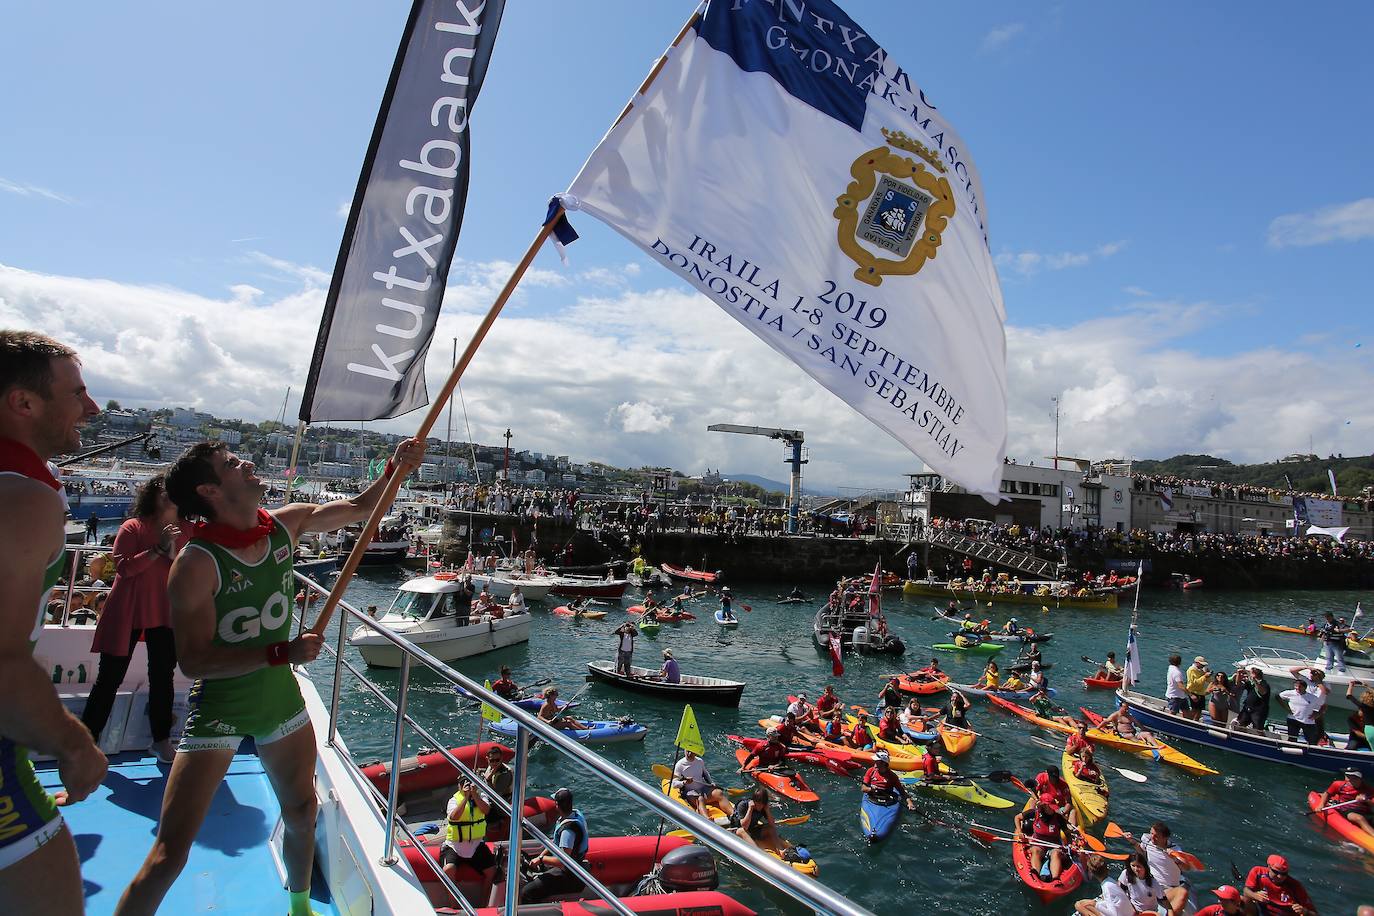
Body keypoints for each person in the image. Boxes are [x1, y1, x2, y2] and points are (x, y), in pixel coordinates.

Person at [115, 435, 426, 916]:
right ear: (210, 492)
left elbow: (362, 508)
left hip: (280, 703)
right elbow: (194, 661)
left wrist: (395, 469)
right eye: (232, 464)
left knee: (302, 813)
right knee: (169, 853)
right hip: (220, 710)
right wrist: (281, 651)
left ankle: (298, 908)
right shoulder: (196, 563)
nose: (248, 465)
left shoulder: (287, 524)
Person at [0, 330, 106, 913]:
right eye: (77, 393)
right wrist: (73, 741)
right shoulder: (21, 495)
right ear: (23, 403)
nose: (91, 409)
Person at [80, 474, 187, 764]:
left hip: (165, 611)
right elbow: (124, 569)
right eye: (164, 491)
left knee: (162, 678)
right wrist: (156, 548)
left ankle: (161, 741)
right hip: (127, 609)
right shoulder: (133, 527)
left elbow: (186, 569)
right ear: (152, 495)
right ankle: (86, 745)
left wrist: (171, 548)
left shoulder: (188, 530)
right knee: (108, 679)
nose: (169, 495)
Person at [520, 788, 587, 903]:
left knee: (527, 892)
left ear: (557, 805)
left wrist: (541, 859)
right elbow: (556, 843)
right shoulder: (575, 815)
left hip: (569, 875)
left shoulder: (568, 832)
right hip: (570, 867)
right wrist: (541, 855)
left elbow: (563, 861)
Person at [441, 776, 495, 905]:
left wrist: (474, 795)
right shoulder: (453, 800)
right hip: (454, 845)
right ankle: (453, 905)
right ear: (459, 787)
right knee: (448, 869)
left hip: (476, 845)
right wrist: (465, 798)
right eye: (462, 784)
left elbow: (486, 810)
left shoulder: (481, 797)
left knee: (492, 871)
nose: (466, 787)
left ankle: (484, 904)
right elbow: (454, 817)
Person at [1122, 822, 1190, 916]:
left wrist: (1174, 858)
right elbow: (1141, 851)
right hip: (1150, 884)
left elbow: (1186, 868)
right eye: (1151, 834)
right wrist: (1131, 841)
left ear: (1165, 838)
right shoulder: (1148, 842)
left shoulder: (1176, 850)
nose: (1152, 837)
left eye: (1156, 836)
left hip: (1167, 889)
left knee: (1183, 892)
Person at [1013, 800, 1073, 881]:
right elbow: (1017, 817)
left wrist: (1069, 845)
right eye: (1051, 807)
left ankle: (1056, 878)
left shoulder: (1058, 817)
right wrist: (1020, 832)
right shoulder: (1034, 813)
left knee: (1056, 853)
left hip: (1053, 844)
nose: (1053, 809)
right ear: (1045, 807)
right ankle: (1035, 873)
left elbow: (1067, 833)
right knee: (1035, 851)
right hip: (1038, 843)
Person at [1242, 854, 1317, 915]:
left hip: (1284, 913)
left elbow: (1314, 914)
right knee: (1243, 898)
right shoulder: (1258, 872)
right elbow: (1246, 891)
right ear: (1268, 867)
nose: (1280, 877)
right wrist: (1255, 895)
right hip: (1263, 909)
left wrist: (1304, 911)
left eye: (1284, 874)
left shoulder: (1295, 886)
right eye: (1276, 872)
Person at [672, 748, 733, 818]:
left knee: (719, 793)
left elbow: (706, 774)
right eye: (687, 751)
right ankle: (707, 819)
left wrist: (711, 782)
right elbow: (674, 784)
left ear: (696, 752)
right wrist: (684, 782)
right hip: (690, 792)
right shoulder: (679, 765)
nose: (689, 754)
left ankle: (733, 814)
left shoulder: (699, 761)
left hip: (703, 789)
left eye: (691, 752)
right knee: (700, 799)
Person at [1315, 768, 1373, 837]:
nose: (1348, 779)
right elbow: (1327, 794)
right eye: (1347, 776)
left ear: (1359, 778)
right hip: (1346, 809)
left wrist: (1366, 800)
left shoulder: (1368, 789)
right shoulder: (1338, 784)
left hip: (1364, 810)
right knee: (1359, 818)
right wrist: (1321, 805)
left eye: (1351, 777)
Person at [1278, 678, 1323, 745]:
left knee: (1312, 740)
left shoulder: (1313, 697)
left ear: (1305, 687)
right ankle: (1291, 749)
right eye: (1296, 686)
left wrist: (1317, 714)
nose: (1297, 688)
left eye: (1300, 686)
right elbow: (1278, 696)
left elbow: (1323, 706)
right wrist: (1286, 708)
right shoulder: (1290, 693)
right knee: (1292, 738)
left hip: (1307, 721)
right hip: (1293, 719)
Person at [1236, 667, 1271, 732]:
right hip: (1248, 708)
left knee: (1258, 729)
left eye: (1250, 673)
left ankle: (1260, 740)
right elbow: (1238, 684)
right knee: (1240, 724)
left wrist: (1255, 681)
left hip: (1258, 710)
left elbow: (1262, 692)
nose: (1249, 674)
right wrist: (1239, 673)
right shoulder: (1250, 683)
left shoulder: (1264, 683)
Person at [1183, 656, 1210, 722]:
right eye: (1202, 664)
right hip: (1193, 691)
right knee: (1194, 709)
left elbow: (1208, 680)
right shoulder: (1191, 670)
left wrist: (1207, 675)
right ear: (1197, 663)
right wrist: (1204, 676)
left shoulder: (1201, 670)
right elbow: (1194, 683)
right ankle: (1189, 721)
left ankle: (1196, 721)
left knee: (1199, 710)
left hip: (1201, 692)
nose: (1203, 666)